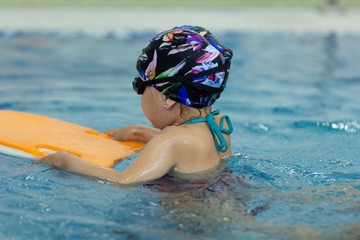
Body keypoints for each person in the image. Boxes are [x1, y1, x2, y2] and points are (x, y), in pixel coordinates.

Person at [38, 25, 234, 186]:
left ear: (168, 97)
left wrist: (64, 161)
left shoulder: (171, 139)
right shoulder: (218, 123)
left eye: (140, 85)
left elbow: (123, 180)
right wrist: (140, 132)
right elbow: (188, 148)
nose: (138, 92)